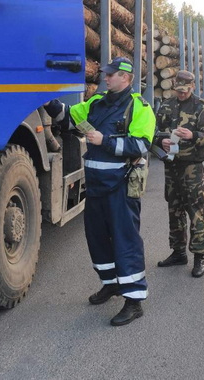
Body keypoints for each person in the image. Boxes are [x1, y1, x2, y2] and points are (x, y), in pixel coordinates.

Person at [45, 57, 155, 326]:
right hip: (95, 187)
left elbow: (140, 145)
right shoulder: (97, 102)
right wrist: (47, 99)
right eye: (105, 74)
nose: (105, 78)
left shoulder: (139, 107)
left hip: (121, 188)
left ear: (126, 78)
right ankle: (111, 284)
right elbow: (69, 118)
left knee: (125, 241)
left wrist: (104, 141)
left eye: (111, 75)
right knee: (96, 239)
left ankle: (134, 300)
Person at [153, 70, 204, 278]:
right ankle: (178, 252)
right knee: (174, 210)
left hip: (192, 167)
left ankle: (199, 256)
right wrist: (159, 140)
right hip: (171, 166)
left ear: (192, 88)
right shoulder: (166, 106)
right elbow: (154, 131)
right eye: (178, 90)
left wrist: (193, 135)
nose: (181, 94)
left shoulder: (202, 108)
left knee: (195, 211)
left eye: (184, 91)